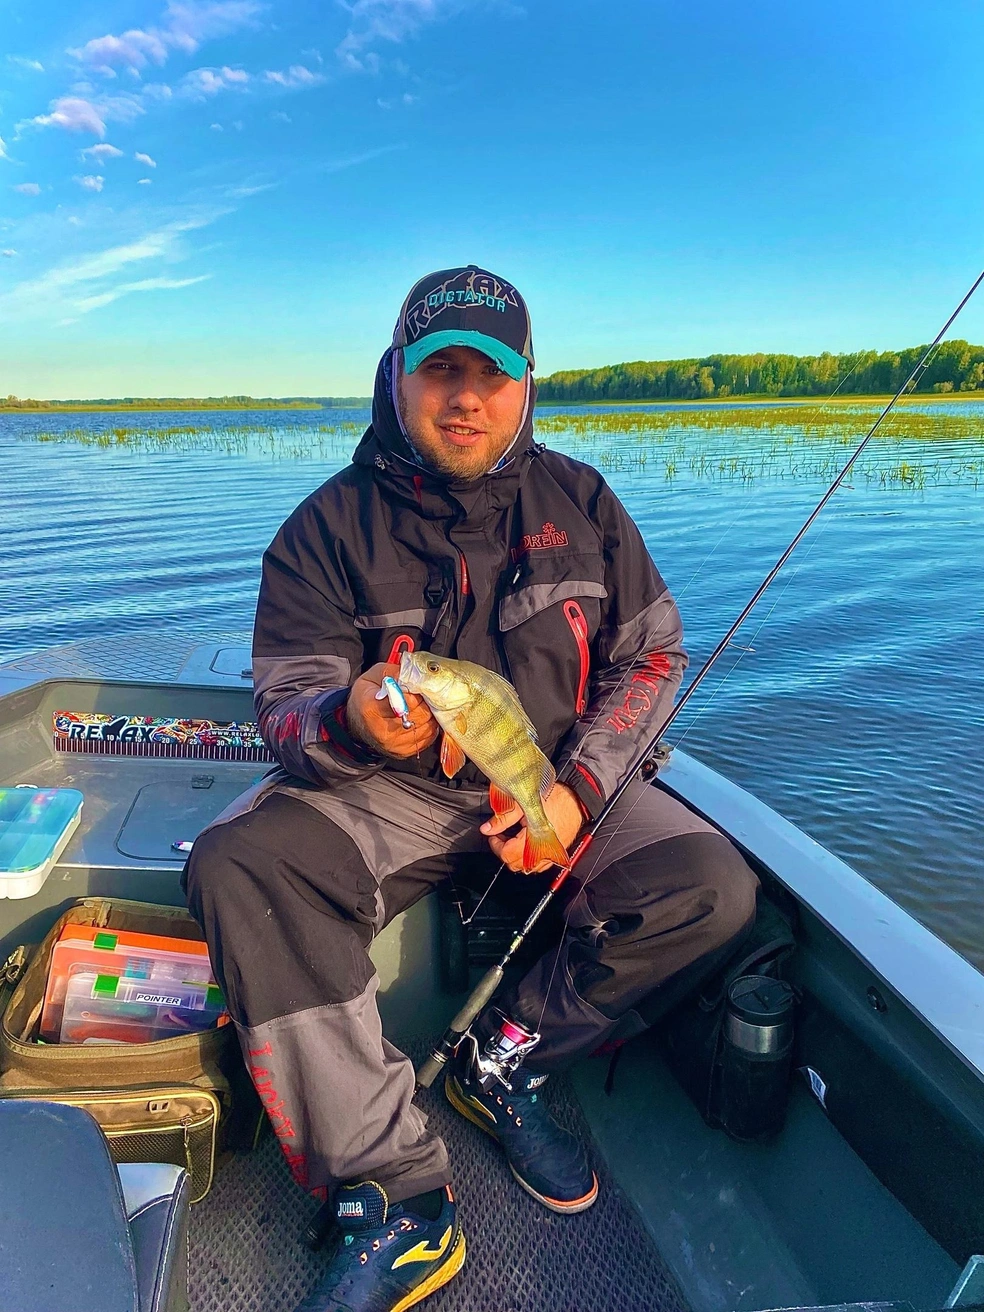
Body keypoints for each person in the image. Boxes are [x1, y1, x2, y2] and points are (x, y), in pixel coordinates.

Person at [183, 266, 759, 1312]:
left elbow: (654, 657)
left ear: (527, 384)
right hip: (389, 790)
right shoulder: (324, 528)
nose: (465, 396)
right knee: (240, 864)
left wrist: (579, 787)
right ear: (396, 379)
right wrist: (348, 716)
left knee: (710, 885)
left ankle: (504, 1060)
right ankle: (395, 1188)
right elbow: (284, 703)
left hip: (555, 774)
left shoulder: (584, 502)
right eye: (439, 368)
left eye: (490, 373)